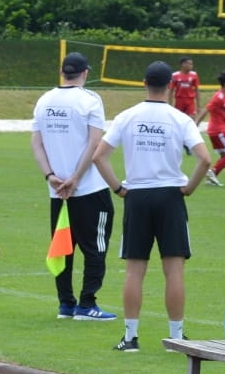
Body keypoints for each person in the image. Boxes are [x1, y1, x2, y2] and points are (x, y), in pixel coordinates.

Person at [93, 61, 212, 352]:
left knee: (135, 271)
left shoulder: (127, 116)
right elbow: (205, 159)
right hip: (170, 196)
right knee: (174, 270)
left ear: (144, 83)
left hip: (138, 195)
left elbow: (99, 157)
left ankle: (131, 337)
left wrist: (118, 188)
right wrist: (189, 187)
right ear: (171, 85)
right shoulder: (179, 118)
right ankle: (175, 338)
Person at [30, 51, 117, 321]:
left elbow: (36, 143)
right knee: (96, 247)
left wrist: (50, 176)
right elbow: (94, 143)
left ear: (62, 72)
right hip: (89, 188)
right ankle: (87, 304)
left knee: (63, 246)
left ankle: (66, 304)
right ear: (85, 73)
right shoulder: (90, 100)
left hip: (57, 190)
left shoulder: (44, 100)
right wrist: (76, 178)